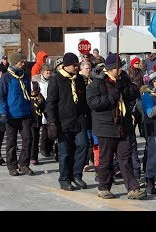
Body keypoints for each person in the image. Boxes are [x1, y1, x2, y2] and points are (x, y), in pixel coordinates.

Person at [86, 53, 147, 200]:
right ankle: (104, 187)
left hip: (123, 126)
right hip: (106, 126)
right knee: (106, 159)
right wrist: (111, 97)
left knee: (125, 158)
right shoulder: (97, 82)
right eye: (118, 67)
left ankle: (133, 188)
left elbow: (134, 92)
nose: (121, 70)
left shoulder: (123, 78)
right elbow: (93, 103)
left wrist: (124, 88)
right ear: (111, 68)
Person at [46, 52, 90, 191]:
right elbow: (51, 103)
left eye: (77, 65)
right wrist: (52, 122)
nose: (76, 67)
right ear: (66, 65)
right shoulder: (56, 80)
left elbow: (83, 101)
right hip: (63, 121)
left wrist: (88, 118)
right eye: (74, 65)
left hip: (79, 120)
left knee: (83, 145)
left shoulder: (79, 80)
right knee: (65, 152)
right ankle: (64, 178)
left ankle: (77, 175)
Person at [0, 52, 33, 176]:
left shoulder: (25, 76)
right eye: (21, 61)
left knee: (28, 139)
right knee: (11, 142)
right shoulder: (6, 77)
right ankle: (12, 165)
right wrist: (3, 112)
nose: (23, 63)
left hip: (25, 113)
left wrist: (31, 109)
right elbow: (1, 96)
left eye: (24, 61)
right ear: (15, 62)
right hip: (11, 114)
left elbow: (28, 94)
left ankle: (24, 164)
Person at [29, 81, 45, 166]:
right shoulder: (27, 98)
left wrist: (40, 103)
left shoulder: (40, 97)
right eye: (32, 90)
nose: (33, 92)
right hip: (29, 121)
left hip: (37, 121)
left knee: (36, 139)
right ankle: (29, 156)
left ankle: (34, 157)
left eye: (34, 90)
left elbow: (44, 108)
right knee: (30, 139)